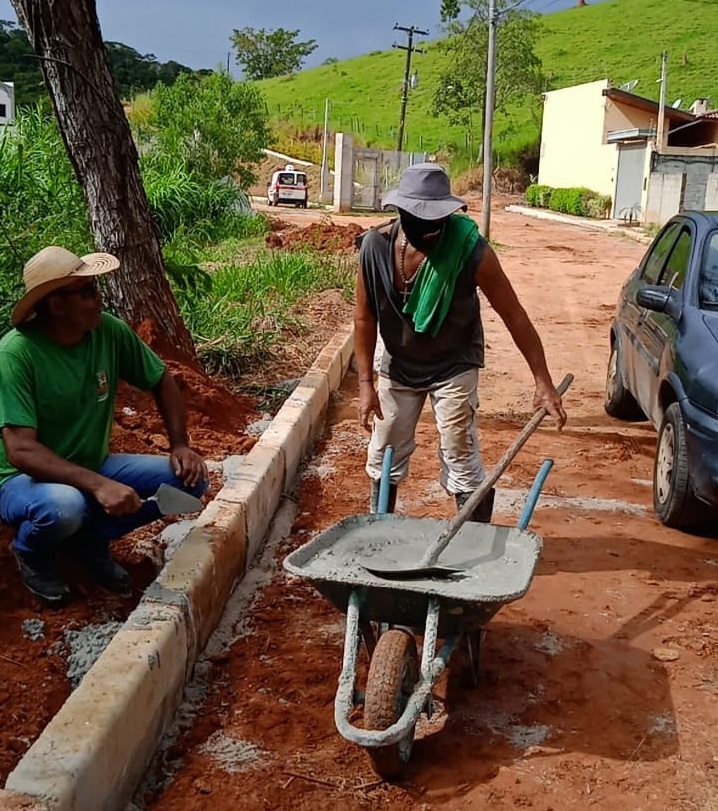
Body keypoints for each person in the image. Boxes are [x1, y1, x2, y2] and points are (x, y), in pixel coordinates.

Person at [354, 162, 566, 519]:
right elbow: (364, 317)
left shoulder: (471, 251)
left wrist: (543, 381)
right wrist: (365, 384)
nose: (431, 230)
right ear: (402, 212)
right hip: (399, 363)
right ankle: (379, 532)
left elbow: (513, 314)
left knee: (460, 451)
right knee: (384, 450)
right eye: (421, 220)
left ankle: (473, 540)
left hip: (453, 365)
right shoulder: (374, 247)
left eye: (438, 221)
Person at [0, 246, 209, 605]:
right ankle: (31, 552)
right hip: (22, 481)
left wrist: (179, 444)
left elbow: (161, 379)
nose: (99, 298)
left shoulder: (108, 332)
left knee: (189, 481)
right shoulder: (15, 354)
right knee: (65, 507)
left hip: (88, 462)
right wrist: (99, 485)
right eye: (87, 292)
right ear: (56, 305)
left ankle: (88, 542)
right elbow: (20, 450)